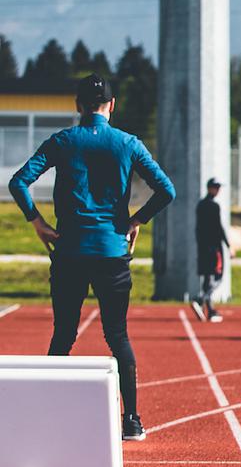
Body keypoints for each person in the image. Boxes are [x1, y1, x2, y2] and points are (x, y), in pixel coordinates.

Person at [7, 73, 175, 441]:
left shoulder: (63, 141)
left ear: (77, 106)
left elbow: (18, 181)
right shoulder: (128, 143)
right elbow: (167, 189)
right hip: (112, 251)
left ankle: (47, 417)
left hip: (68, 252)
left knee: (64, 333)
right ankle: (131, 419)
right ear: (112, 106)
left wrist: (37, 222)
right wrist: (135, 221)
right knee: (117, 335)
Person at [192, 177, 234, 323]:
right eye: (216, 187)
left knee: (207, 278)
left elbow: (197, 229)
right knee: (218, 277)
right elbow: (219, 228)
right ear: (210, 188)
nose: (218, 190)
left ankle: (210, 310)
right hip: (214, 248)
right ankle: (200, 300)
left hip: (203, 247)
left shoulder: (200, 205)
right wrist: (228, 246)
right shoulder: (214, 206)